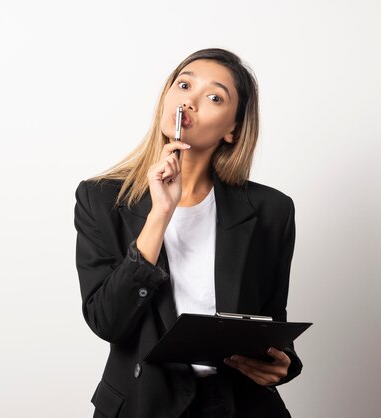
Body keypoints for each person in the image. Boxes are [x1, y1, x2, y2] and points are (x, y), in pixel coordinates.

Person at [74, 48, 302, 418]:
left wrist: (283, 363)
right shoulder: (100, 199)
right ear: (166, 98)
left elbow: (270, 320)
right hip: (144, 402)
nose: (190, 101)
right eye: (184, 85)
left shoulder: (271, 210)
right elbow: (107, 322)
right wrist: (160, 213)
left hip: (237, 403)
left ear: (233, 129)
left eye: (214, 97)